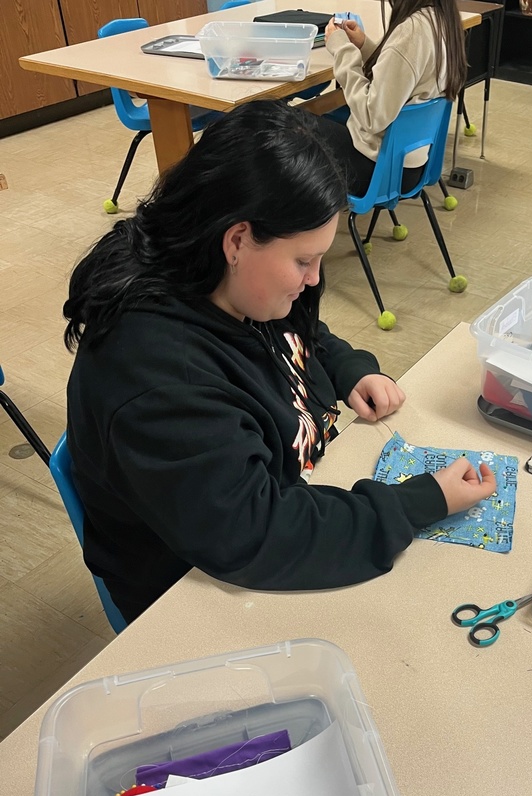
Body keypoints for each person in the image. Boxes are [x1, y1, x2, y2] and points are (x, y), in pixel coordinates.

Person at [63, 100, 496, 625]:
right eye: (303, 260)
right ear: (238, 240)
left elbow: (299, 327)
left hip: (283, 494)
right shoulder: (156, 379)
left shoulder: (229, 278)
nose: (314, 280)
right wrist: (414, 505)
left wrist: (347, 367)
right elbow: (255, 533)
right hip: (196, 591)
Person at [315, 0, 468, 195]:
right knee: (316, 117)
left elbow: (372, 116)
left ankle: (298, 219)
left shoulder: (412, 32)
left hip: (380, 169)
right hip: (410, 162)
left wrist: (342, 51)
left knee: (285, 125)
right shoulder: (441, 19)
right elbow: (400, 76)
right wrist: (363, 45)